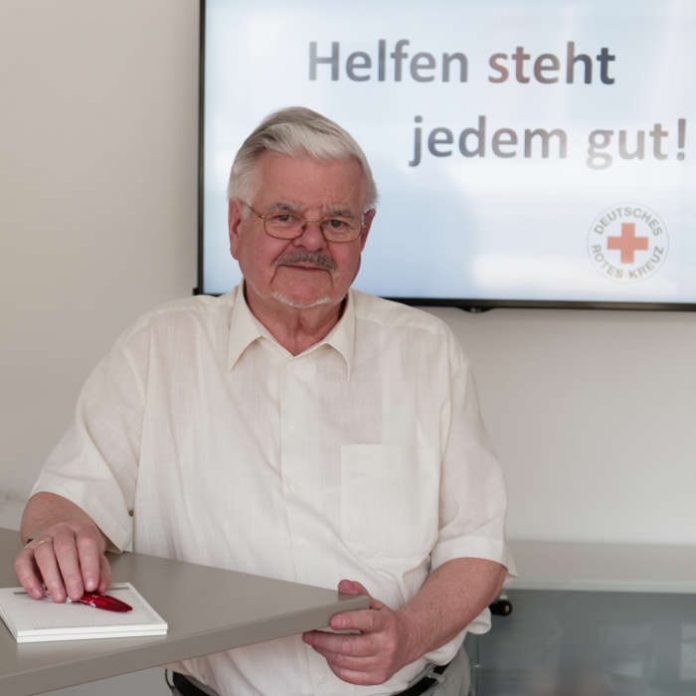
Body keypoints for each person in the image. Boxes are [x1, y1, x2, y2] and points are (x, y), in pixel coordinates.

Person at [14, 107, 511, 696]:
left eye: (337, 221)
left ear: (365, 234)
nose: (311, 242)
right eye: (284, 216)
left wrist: (406, 633)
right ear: (234, 226)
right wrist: (63, 536)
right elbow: (65, 501)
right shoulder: (159, 347)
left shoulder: (427, 353)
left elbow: (477, 547)